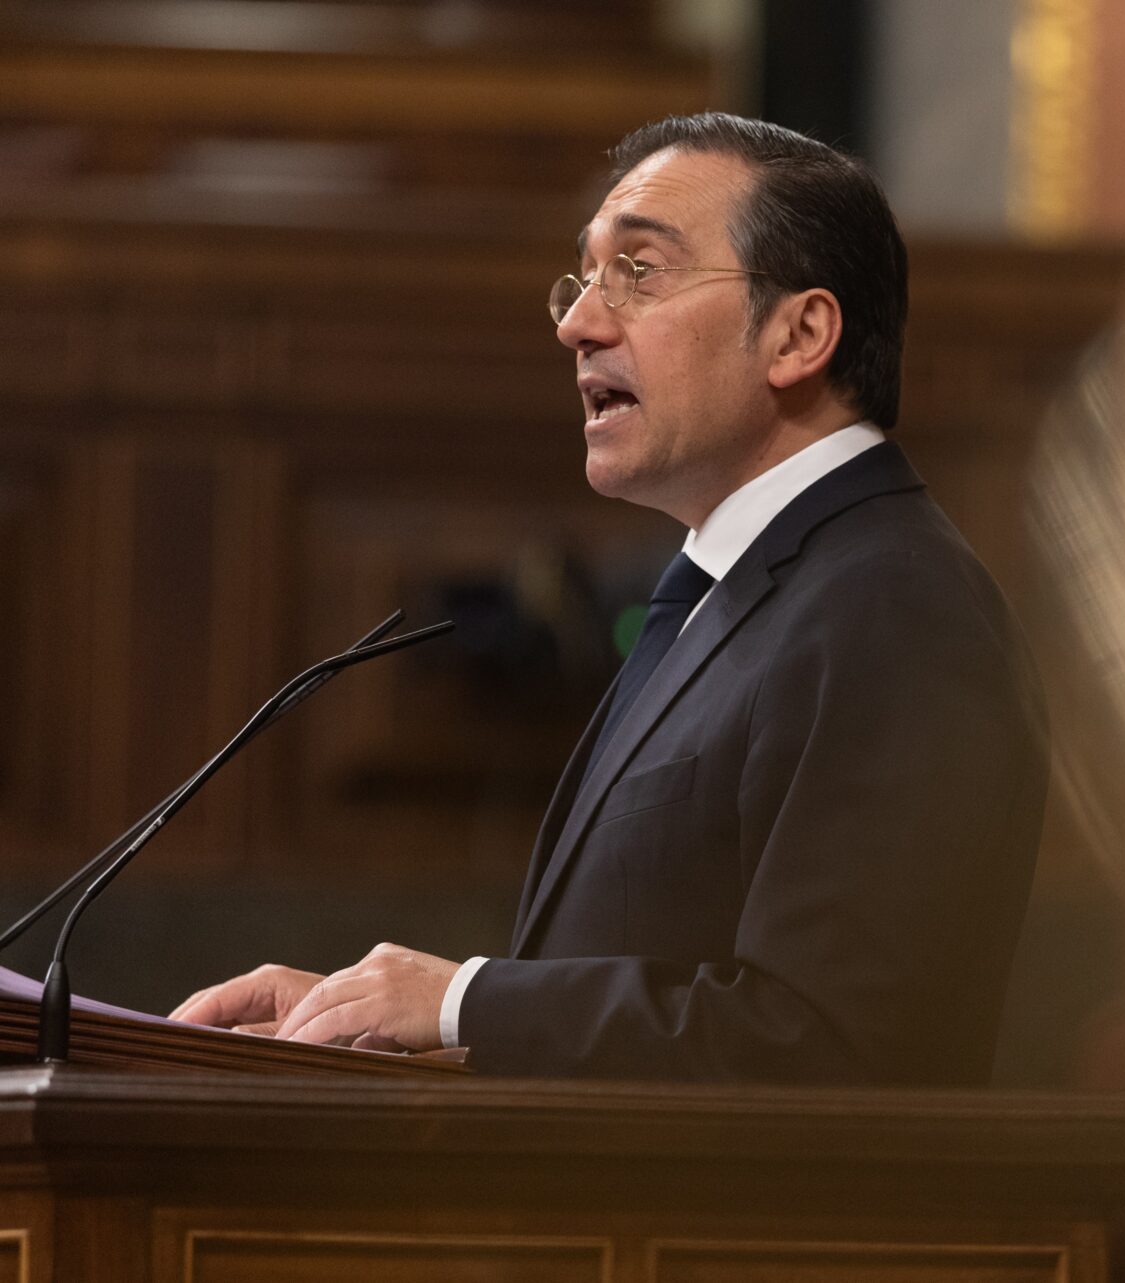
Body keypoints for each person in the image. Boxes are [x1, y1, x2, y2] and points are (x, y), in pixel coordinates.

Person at [172, 113, 1050, 1084]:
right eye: (584, 277)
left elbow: (838, 1044)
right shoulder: (739, 592)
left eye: (639, 271)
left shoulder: (894, 606)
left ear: (799, 334)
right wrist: (373, 1026)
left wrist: (464, 999)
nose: (578, 323)